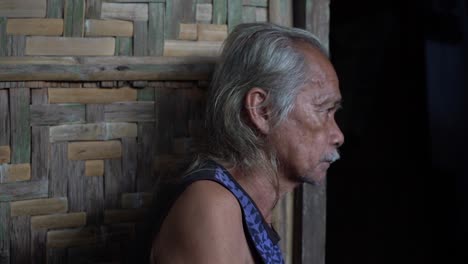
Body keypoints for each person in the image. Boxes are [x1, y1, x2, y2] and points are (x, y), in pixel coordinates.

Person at [149, 22, 344, 264]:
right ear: (262, 111)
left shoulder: (250, 209)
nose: (338, 135)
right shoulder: (213, 208)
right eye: (323, 110)